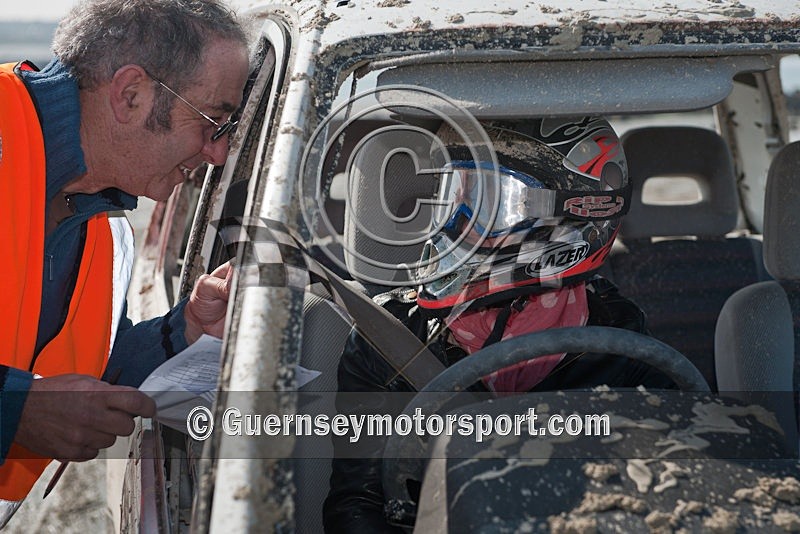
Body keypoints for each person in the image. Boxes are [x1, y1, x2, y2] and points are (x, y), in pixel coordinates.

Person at [322, 117, 678, 532]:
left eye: (487, 202)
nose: (454, 225)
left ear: (573, 214)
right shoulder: (385, 340)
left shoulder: (625, 345)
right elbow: (357, 506)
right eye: (452, 196)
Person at [0, 0, 250, 518]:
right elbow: (29, 396)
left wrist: (186, 332)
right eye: (214, 121)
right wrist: (13, 410)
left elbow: (78, 369)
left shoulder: (101, 220)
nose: (217, 153)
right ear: (131, 95)